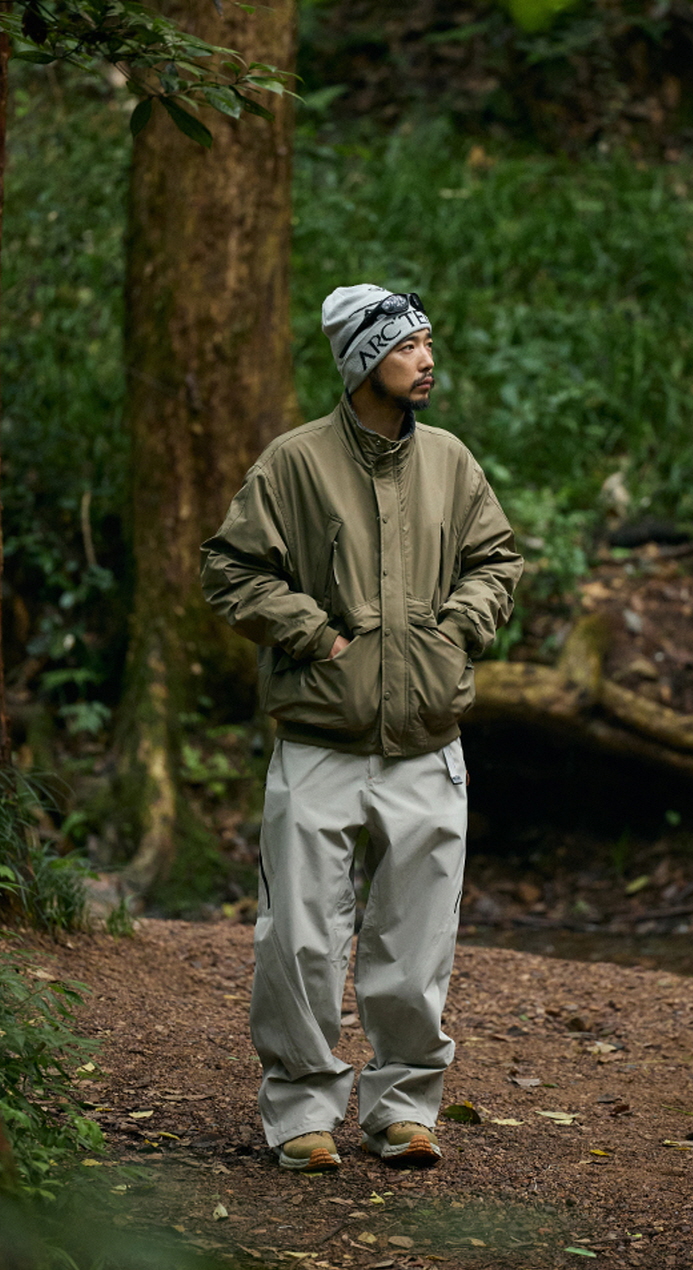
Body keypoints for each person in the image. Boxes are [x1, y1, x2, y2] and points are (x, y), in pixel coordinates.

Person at [201, 284, 522, 1172]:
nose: (427, 358)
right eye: (407, 344)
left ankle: (404, 1109)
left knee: (416, 943)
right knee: (299, 938)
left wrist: (456, 628)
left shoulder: (451, 461)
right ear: (362, 359)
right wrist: (316, 634)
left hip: (428, 741)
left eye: (428, 341)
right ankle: (302, 1112)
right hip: (319, 739)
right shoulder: (295, 462)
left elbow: (497, 558)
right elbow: (230, 568)